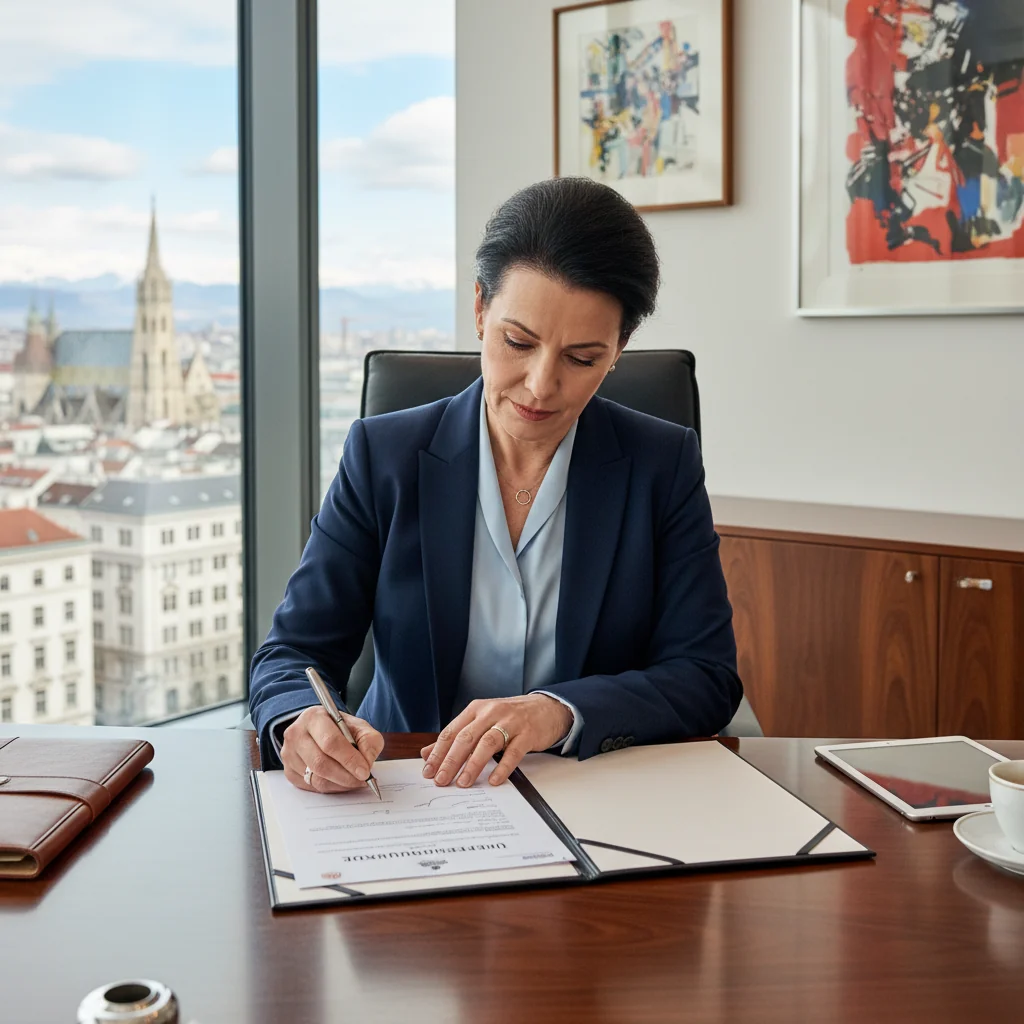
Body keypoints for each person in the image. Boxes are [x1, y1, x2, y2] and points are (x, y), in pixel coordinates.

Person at [249, 176, 742, 794]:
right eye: (518, 342)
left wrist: (555, 711)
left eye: (582, 358)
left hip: (586, 791)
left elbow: (705, 675)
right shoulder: (384, 455)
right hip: (402, 790)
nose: (540, 385)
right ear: (480, 309)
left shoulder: (661, 464)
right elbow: (292, 653)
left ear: (619, 349)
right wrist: (301, 721)